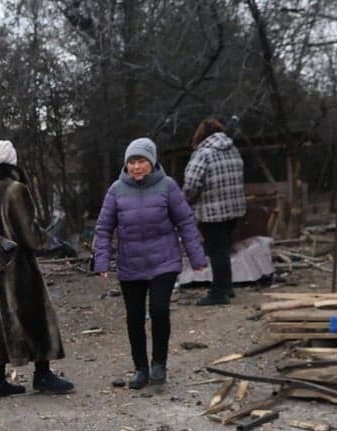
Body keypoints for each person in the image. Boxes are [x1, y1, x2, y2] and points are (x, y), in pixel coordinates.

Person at [93, 138, 207, 389]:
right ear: (126, 165)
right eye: (132, 162)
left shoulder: (167, 187)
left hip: (163, 262)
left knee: (159, 310)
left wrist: (197, 257)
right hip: (130, 264)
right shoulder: (116, 190)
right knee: (134, 317)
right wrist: (101, 260)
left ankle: (159, 363)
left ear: (152, 162)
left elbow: (186, 222)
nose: (136, 167)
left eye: (141, 161)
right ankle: (140, 368)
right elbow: (103, 228)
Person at [0, 140, 73, 397]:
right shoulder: (16, 190)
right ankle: (43, 374)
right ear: (12, 163)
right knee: (35, 314)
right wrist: (47, 240)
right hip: (16, 269)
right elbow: (29, 234)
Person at [183, 116, 246, 306]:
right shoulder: (233, 150)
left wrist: (186, 200)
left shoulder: (203, 154)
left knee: (216, 251)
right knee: (224, 249)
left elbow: (192, 183)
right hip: (234, 210)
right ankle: (227, 287)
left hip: (212, 212)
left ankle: (218, 293)